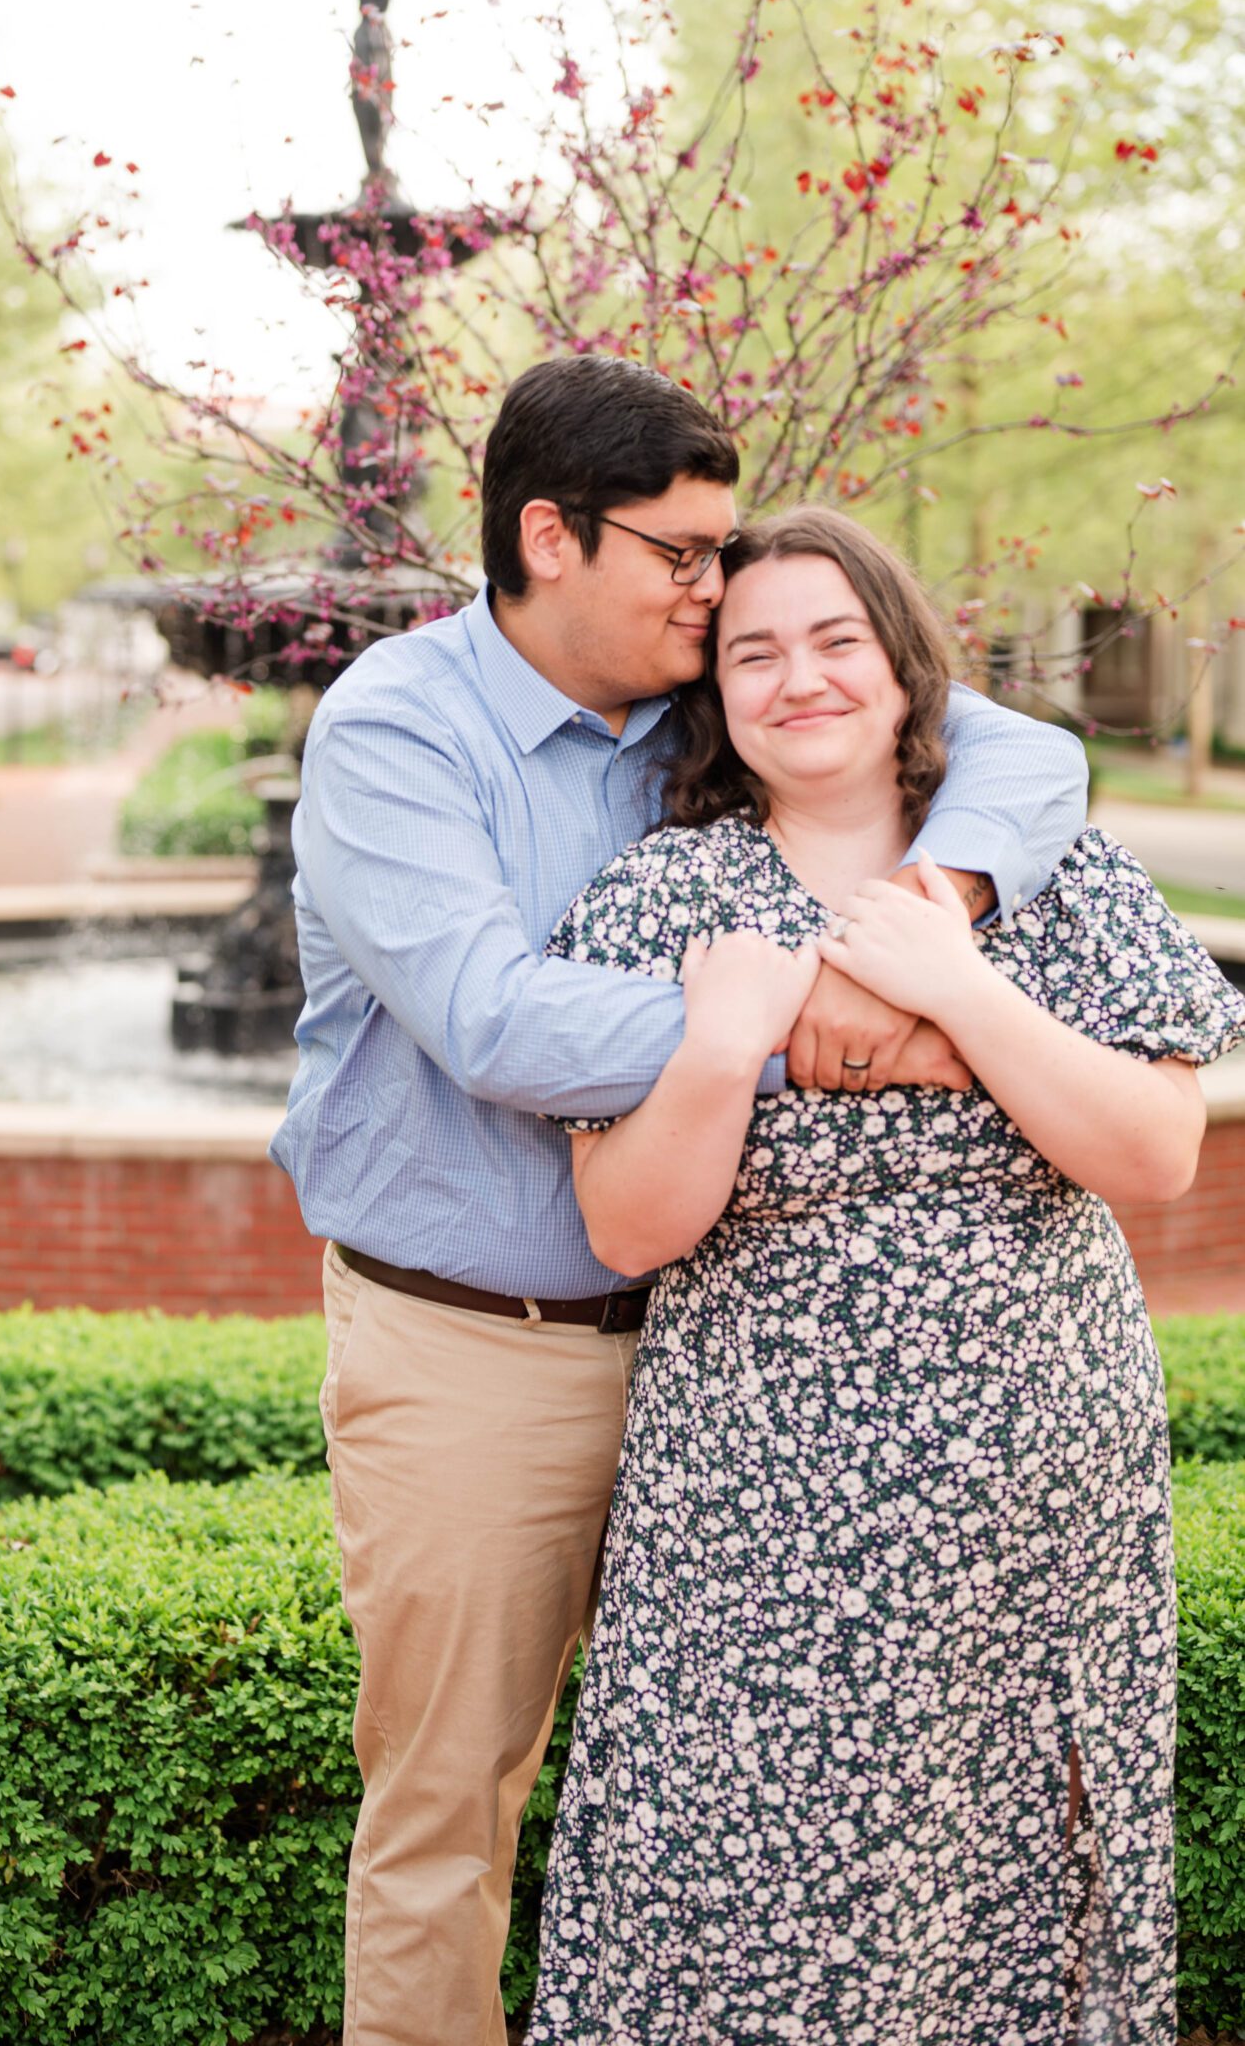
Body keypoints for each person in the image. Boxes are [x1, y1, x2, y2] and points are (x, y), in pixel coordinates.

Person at [274, 354, 1090, 2046]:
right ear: (551, 538)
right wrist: (835, 1024)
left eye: (728, 556)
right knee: (453, 1808)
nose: (719, 592)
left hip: (738, 1361)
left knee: (758, 1806)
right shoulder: (395, 729)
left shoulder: (706, 695)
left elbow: (1023, 747)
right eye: (686, 555)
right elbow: (496, 1023)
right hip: (485, 1350)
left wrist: (938, 900)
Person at [525, 507, 1245, 2046]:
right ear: (714, 694)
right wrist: (721, 1043)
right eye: (754, 652)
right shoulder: (663, 900)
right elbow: (628, 1230)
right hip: (760, 1521)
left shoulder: (1054, 871)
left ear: (908, 667)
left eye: (838, 640)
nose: (803, 679)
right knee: (741, 1863)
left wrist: (962, 991)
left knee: (1008, 1878)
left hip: (1031, 1512)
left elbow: (1156, 1155)